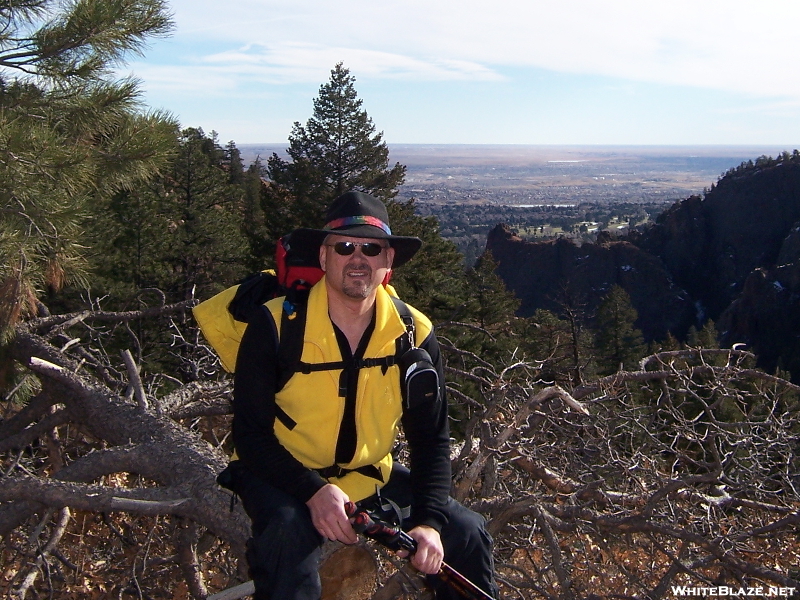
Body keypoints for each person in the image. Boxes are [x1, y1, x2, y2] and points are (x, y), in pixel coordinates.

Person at [229, 191, 498, 599]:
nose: (359, 258)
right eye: (345, 247)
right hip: (283, 473)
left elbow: (431, 439)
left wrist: (429, 522)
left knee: (467, 533)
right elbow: (250, 435)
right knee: (285, 537)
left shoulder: (414, 335)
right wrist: (312, 491)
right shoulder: (276, 326)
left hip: (370, 475)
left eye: (371, 248)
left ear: (388, 262)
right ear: (323, 257)